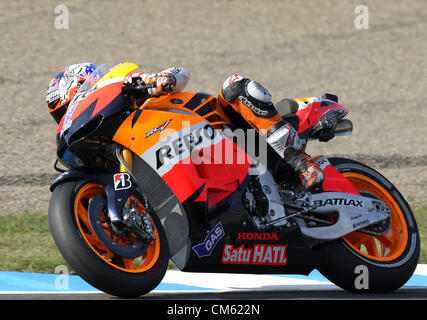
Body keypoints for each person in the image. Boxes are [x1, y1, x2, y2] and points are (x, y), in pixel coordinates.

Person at [46, 63, 324, 190]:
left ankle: (302, 163)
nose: (69, 116)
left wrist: (158, 79)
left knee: (234, 86)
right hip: (201, 165)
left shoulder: (132, 90)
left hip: (234, 135)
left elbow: (181, 74)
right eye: (62, 116)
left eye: (69, 105)